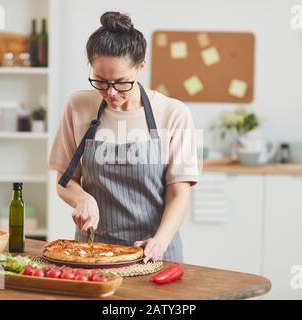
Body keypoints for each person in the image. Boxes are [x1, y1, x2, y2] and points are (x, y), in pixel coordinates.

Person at [49, 11, 198, 263]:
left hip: (154, 252)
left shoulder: (173, 113)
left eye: (121, 82)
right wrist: (82, 198)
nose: (110, 92)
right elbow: (64, 181)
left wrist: (159, 242)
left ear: (141, 67)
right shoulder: (78, 106)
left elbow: (179, 192)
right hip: (93, 253)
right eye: (100, 81)